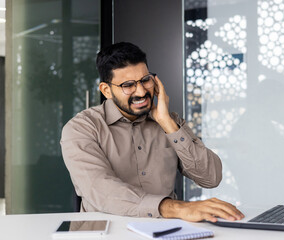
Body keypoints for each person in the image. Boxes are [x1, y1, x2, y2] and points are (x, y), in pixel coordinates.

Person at [60, 42, 244, 222]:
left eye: (145, 80)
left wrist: (167, 124)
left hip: (165, 233)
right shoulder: (81, 128)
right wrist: (177, 208)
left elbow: (210, 177)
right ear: (106, 90)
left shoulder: (170, 122)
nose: (140, 91)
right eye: (128, 85)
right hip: (108, 233)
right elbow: (100, 189)